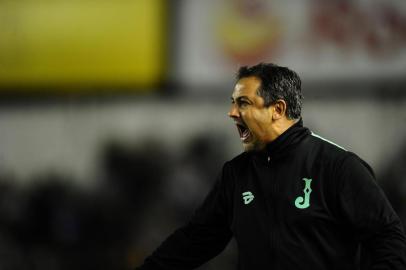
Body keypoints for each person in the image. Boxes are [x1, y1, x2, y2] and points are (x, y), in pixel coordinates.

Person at [135, 63, 406, 269]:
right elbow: (196, 240)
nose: (232, 113)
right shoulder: (236, 174)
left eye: (243, 103)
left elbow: (389, 239)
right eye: (233, 103)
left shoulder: (338, 167)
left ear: (277, 109)